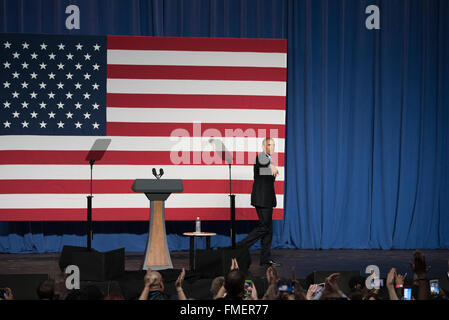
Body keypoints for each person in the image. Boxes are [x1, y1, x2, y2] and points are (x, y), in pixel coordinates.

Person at [238, 137, 280, 267]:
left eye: (273, 145)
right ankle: (241, 247)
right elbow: (263, 163)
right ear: (263, 147)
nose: (271, 147)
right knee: (264, 227)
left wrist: (271, 167)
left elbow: (265, 174)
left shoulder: (267, 160)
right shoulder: (261, 157)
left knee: (268, 230)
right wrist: (271, 165)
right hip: (262, 199)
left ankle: (265, 259)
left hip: (267, 199)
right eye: (268, 145)